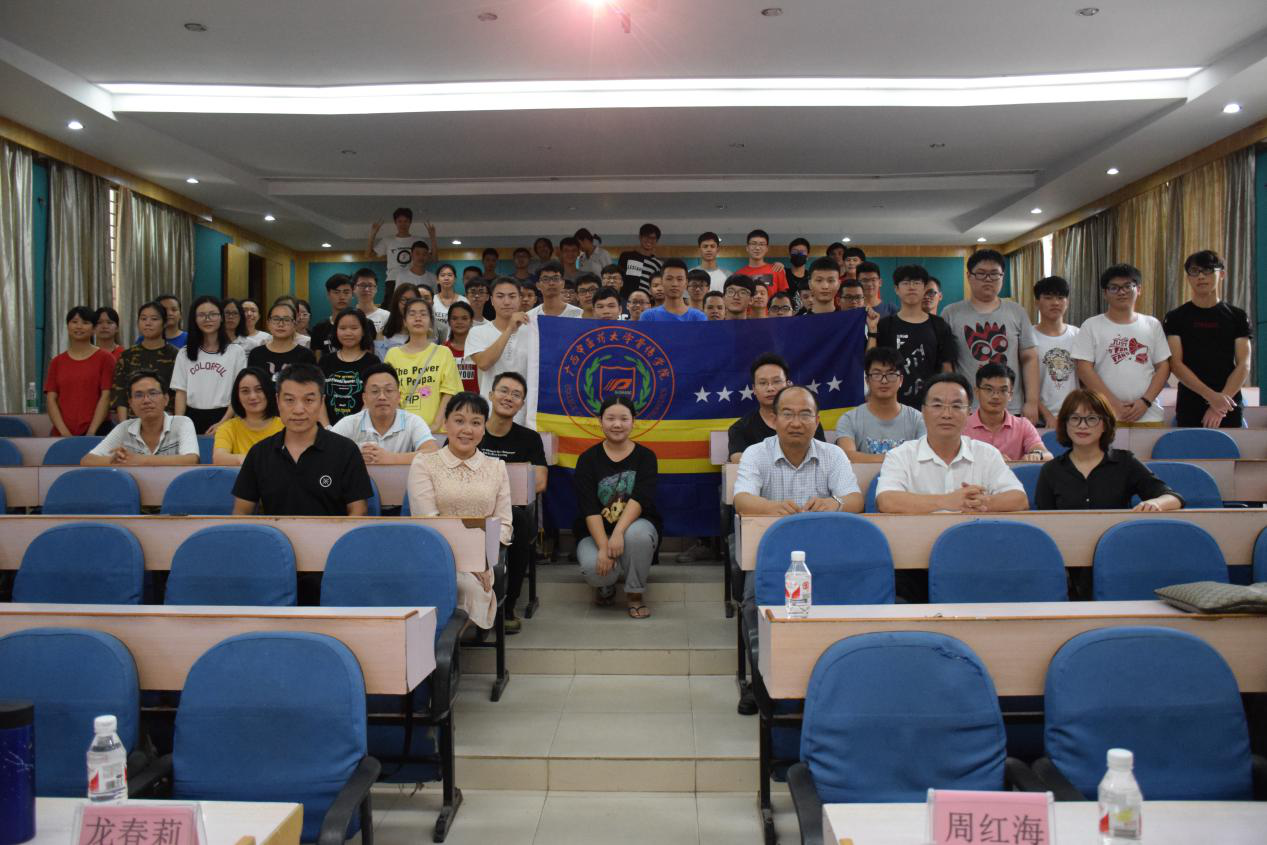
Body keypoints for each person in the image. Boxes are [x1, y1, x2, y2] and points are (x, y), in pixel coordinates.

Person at [408, 392, 513, 630]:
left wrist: (480, 560)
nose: (467, 429)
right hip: (434, 556)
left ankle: (446, 646)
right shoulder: (424, 463)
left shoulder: (496, 467)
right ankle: (437, 645)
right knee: (443, 583)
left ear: (484, 429)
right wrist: (465, 562)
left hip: (481, 560)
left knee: (468, 587)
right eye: (459, 420)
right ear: (446, 424)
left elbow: (504, 524)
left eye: (476, 422)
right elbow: (428, 522)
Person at [874, 372, 1028, 514]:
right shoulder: (900, 456)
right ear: (923, 411)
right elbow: (886, 501)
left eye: (956, 406)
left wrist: (980, 502)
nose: (946, 414)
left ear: (968, 413)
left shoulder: (987, 454)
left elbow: (1019, 499)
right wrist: (946, 501)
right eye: (937, 405)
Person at [233, 364, 373, 516]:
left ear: (322, 402)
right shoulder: (259, 453)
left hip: (332, 532)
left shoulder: (346, 451)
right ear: (277, 401)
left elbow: (358, 511)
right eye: (289, 400)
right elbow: (241, 513)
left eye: (309, 400)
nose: (298, 410)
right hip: (276, 532)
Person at [573, 396, 661, 618]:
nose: (617, 424)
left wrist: (619, 532)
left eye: (624, 418)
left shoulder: (646, 457)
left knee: (637, 536)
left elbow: (640, 499)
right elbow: (589, 508)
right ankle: (606, 585)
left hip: (634, 525)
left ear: (633, 421)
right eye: (610, 418)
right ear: (600, 421)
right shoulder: (587, 459)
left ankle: (635, 594)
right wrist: (604, 547)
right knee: (594, 569)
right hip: (596, 530)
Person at [477, 372, 548, 632]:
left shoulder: (529, 439)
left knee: (521, 522)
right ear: (491, 394)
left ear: (521, 404)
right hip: (469, 504)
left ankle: (508, 606)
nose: (509, 397)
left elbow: (539, 482)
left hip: (510, 509)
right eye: (504, 391)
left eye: (516, 395)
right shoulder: (472, 429)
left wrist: (496, 491)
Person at [1035, 389, 1183, 511]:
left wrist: (1156, 503)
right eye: (1075, 418)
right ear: (1065, 424)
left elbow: (1173, 497)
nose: (1082, 425)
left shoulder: (1125, 463)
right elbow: (1044, 521)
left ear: (1105, 425)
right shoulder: (1051, 470)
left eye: (1092, 418)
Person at [734, 385, 864, 516]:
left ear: (816, 422)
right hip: (771, 528)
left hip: (821, 528)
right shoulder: (755, 454)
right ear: (774, 420)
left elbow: (855, 500)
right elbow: (741, 500)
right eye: (787, 414)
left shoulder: (833, 454)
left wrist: (835, 503)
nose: (796, 424)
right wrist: (769, 507)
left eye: (805, 415)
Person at [941, 249, 1039, 420]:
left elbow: (1029, 358)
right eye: (981, 273)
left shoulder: (1017, 312)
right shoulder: (951, 313)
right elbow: (946, 362)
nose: (988, 279)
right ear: (969, 276)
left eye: (994, 274)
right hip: (967, 407)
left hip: (1011, 407)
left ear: (1002, 276)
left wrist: (1032, 402)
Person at [1072, 263, 1170, 426]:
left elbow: (1164, 366)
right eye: (1114, 288)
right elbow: (1084, 369)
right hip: (1105, 415)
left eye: (1127, 286)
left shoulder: (1152, 324)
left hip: (1149, 414)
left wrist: (1145, 402)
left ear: (1139, 289)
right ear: (1105, 293)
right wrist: (1113, 404)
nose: (1121, 292)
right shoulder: (1091, 325)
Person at [1164, 250, 1252, 428]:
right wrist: (1211, 397)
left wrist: (1219, 405)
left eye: (1208, 270)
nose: (1201, 276)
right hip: (1190, 401)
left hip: (1228, 402)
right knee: (1189, 446)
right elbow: (1176, 364)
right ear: (1188, 278)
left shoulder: (1237, 316)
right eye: (1195, 271)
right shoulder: (1175, 317)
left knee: (1229, 446)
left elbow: (1244, 364)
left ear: (1222, 274)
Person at [869, 264, 956, 408]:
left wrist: (947, 400)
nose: (911, 287)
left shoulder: (939, 325)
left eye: (916, 283)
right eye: (905, 283)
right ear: (896, 289)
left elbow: (947, 368)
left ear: (924, 288)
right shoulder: (885, 325)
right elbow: (872, 364)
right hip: (892, 404)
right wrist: (872, 332)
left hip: (930, 405)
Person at [82, 370, 198, 466]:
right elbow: (87, 460)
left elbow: (192, 460)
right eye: (138, 395)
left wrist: (139, 460)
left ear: (166, 399)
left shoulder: (182, 423)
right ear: (131, 403)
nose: (146, 400)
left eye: (153, 393)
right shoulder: (125, 428)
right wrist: (117, 460)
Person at [331, 363, 438, 464]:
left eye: (389, 390)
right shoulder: (350, 423)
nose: (382, 397)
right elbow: (326, 449)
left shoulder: (413, 422)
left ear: (399, 396)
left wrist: (391, 458)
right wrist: (354, 455)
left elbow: (433, 453)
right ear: (364, 398)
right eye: (375, 391)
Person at [835, 347, 926, 463]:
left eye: (891, 374)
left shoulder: (918, 420)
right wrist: (897, 459)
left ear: (901, 380)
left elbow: (924, 457)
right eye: (877, 374)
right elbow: (847, 457)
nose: (884, 381)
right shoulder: (849, 419)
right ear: (867, 380)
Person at [729, 353, 826, 461]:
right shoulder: (740, 428)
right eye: (763, 383)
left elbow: (822, 456)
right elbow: (738, 460)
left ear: (788, 385)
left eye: (776, 381)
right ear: (754, 389)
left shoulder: (808, 421)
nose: (770, 388)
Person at [172, 297, 248, 434]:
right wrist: (179, 424)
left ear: (221, 317)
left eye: (213, 314)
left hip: (225, 416)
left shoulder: (236, 352)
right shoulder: (184, 353)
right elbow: (181, 393)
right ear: (194, 319)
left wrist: (223, 422)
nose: (207, 319)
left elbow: (238, 391)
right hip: (191, 418)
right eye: (202, 315)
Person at [384, 299, 461, 432]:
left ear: (431, 321)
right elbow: (388, 392)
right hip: (402, 430)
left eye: (423, 314)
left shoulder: (443, 353)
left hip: (437, 432)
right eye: (412, 314)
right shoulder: (393, 354)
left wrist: (435, 425)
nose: (418, 318)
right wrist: (402, 425)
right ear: (404, 321)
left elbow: (450, 392)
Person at [467, 278, 535, 423]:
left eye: (512, 296)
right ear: (492, 300)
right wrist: (510, 329)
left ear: (520, 299)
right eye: (500, 296)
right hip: (490, 413)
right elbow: (484, 363)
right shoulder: (477, 332)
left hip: (526, 414)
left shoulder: (534, 332)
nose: (506, 302)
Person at [46, 306, 117, 437]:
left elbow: (106, 396)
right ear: (67, 326)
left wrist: (91, 432)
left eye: (85, 323)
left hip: (98, 432)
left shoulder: (106, 358)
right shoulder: (57, 362)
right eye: (74, 322)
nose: (79, 326)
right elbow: (51, 399)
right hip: (61, 433)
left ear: (94, 329)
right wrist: (64, 433)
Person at [964, 363, 1051, 461]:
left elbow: (1047, 455)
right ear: (977, 392)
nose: (995, 396)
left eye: (1003, 390)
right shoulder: (962, 426)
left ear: (1010, 395)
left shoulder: (1023, 425)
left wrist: (1037, 455)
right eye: (989, 389)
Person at [110, 301, 178, 423]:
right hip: (133, 420)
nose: (148, 323)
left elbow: (179, 394)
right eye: (143, 319)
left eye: (154, 319)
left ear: (164, 323)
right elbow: (120, 394)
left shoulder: (176, 355)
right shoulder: (127, 355)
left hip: (166, 420)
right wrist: (124, 425)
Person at [318, 307, 380, 424]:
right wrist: (327, 428)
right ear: (336, 331)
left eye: (354, 328)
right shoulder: (325, 361)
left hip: (360, 428)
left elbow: (372, 398)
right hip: (327, 429)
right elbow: (318, 398)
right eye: (342, 328)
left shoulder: (373, 362)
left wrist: (354, 429)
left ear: (363, 331)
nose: (348, 333)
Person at [1032, 275, 1080, 427]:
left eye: (1060, 297)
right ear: (1037, 302)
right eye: (1048, 298)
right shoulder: (1027, 337)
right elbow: (1023, 384)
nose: (1055, 303)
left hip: (1076, 416)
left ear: (1067, 302)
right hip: (1039, 419)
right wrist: (1047, 416)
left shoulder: (1079, 335)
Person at [212, 367, 284, 465]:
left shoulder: (285, 426)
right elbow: (218, 458)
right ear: (237, 396)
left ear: (269, 391)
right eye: (245, 391)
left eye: (259, 389)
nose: (252, 396)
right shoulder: (227, 428)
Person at [369, 208, 437, 295]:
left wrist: (432, 237)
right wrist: (373, 234)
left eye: (406, 221)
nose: (403, 224)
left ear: (410, 222)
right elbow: (369, 255)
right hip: (392, 279)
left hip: (412, 278)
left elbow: (434, 258)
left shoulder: (418, 240)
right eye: (400, 221)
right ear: (395, 222)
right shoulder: (387, 240)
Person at [248, 301, 318, 383]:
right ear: (268, 323)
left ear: (294, 324)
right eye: (276, 319)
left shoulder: (306, 355)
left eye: (286, 320)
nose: (281, 324)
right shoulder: (256, 354)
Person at [639, 259, 707, 322]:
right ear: (662, 281)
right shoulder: (648, 317)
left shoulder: (699, 317)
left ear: (686, 283)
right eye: (669, 279)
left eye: (679, 279)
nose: (674, 284)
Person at [309, 274, 355, 357]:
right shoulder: (319, 328)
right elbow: (318, 360)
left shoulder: (364, 325)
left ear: (352, 294)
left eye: (346, 292)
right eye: (336, 292)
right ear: (328, 295)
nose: (342, 297)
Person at [733, 229, 787, 296]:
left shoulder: (777, 270)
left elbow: (783, 297)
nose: (757, 248)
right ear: (747, 248)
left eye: (761, 244)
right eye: (753, 243)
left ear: (767, 248)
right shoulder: (738, 275)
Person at [374, 282, 421, 360]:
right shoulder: (382, 335)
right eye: (403, 300)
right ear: (396, 302)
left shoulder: (426, 333)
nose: (407, 304)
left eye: (412, 300)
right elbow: (382, 363)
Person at [618, 222, 664, 299]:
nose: (649, 240)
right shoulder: (626, 256)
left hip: (646, 301)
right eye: (646, 237)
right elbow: (619, 278)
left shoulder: (658, 264)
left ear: (656, 241)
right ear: (640, 237)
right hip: (625, 299)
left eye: (653, 238)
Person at [444, 301, 480, 393]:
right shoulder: (443, 350)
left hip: (477, 400)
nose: (459, 322)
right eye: (454, 318)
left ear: (471, 321)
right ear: (449, 321)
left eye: (464, 318)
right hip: (451, 399)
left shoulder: (480, 348)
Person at [351, 268, 391, 335]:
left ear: (376, 289)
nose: (366, 289)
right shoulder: (348, 316)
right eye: (362, 285)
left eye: (370, 285)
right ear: (354, 288)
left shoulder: (386, 316)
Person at [783, 237, 812, 309]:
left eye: (802, 252)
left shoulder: (812, 277)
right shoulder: (782, 273)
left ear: (807, 256)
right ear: (789, 255)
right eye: (795, 252)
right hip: (787, 313)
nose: (799, 254)